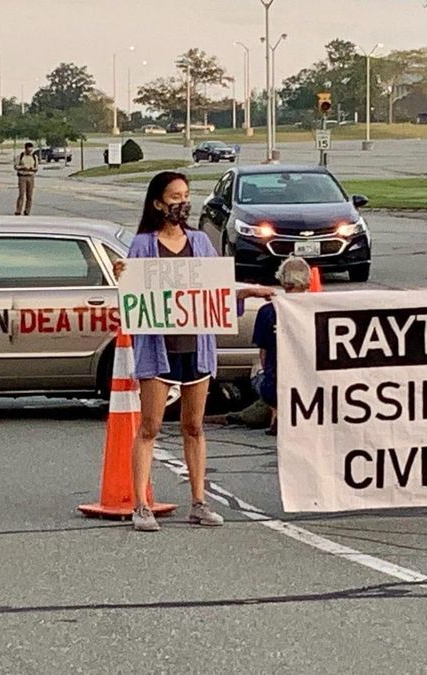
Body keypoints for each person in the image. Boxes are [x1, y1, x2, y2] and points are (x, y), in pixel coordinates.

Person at [112, 171, 274, 532]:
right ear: (158, 203)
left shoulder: (200, 242)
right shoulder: (143, 245)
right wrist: (122, 276)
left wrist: (249, 293)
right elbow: (131, 299)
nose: (181, 202)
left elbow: (217, 292)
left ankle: (199, 502)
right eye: (174, 196)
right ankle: (142, 505)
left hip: (196, 349)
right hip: (159, 349)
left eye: (185, 195)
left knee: (194, 426)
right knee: (150, 427)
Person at [252, 256, 311, 435]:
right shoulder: (316, 310)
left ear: (283, 280)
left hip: (276, 386)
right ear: (307, 281)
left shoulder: (267, 311)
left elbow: (263, 353)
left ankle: (276, 412)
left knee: (257, 371)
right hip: (309, 385)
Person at [14, 142, 39, 216]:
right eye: (28, 150)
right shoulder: (21, 156)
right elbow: (16, 166)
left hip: (31, 176)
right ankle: (18, 210)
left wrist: (32, 168)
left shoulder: (34, 157)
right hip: (22, 176)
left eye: (31, 150)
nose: (30, 151)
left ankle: (27, 210)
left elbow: (36, 167)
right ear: (25, 149)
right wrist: (22, 167)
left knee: (29, 195)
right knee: (21, 194)